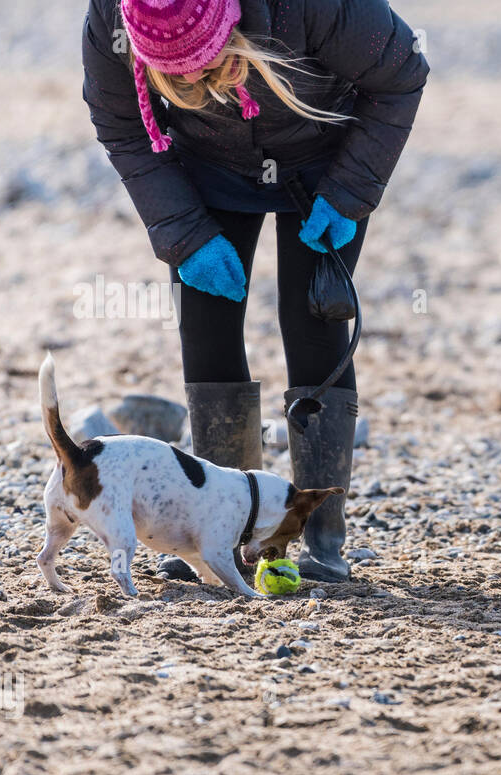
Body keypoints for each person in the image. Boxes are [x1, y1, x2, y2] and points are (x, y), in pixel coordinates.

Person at [81, 0, 428, 581]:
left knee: (313, 322)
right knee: (206, 325)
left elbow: (402, 75)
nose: (193, 84)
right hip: (204, 166)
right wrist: (186, 235)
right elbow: (120, 123)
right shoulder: (114, 16)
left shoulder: (313, 7)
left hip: (324, 158)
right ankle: (220, 534)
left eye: (207, 71)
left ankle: (322, 539)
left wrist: (348, 194)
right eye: (175, 80)